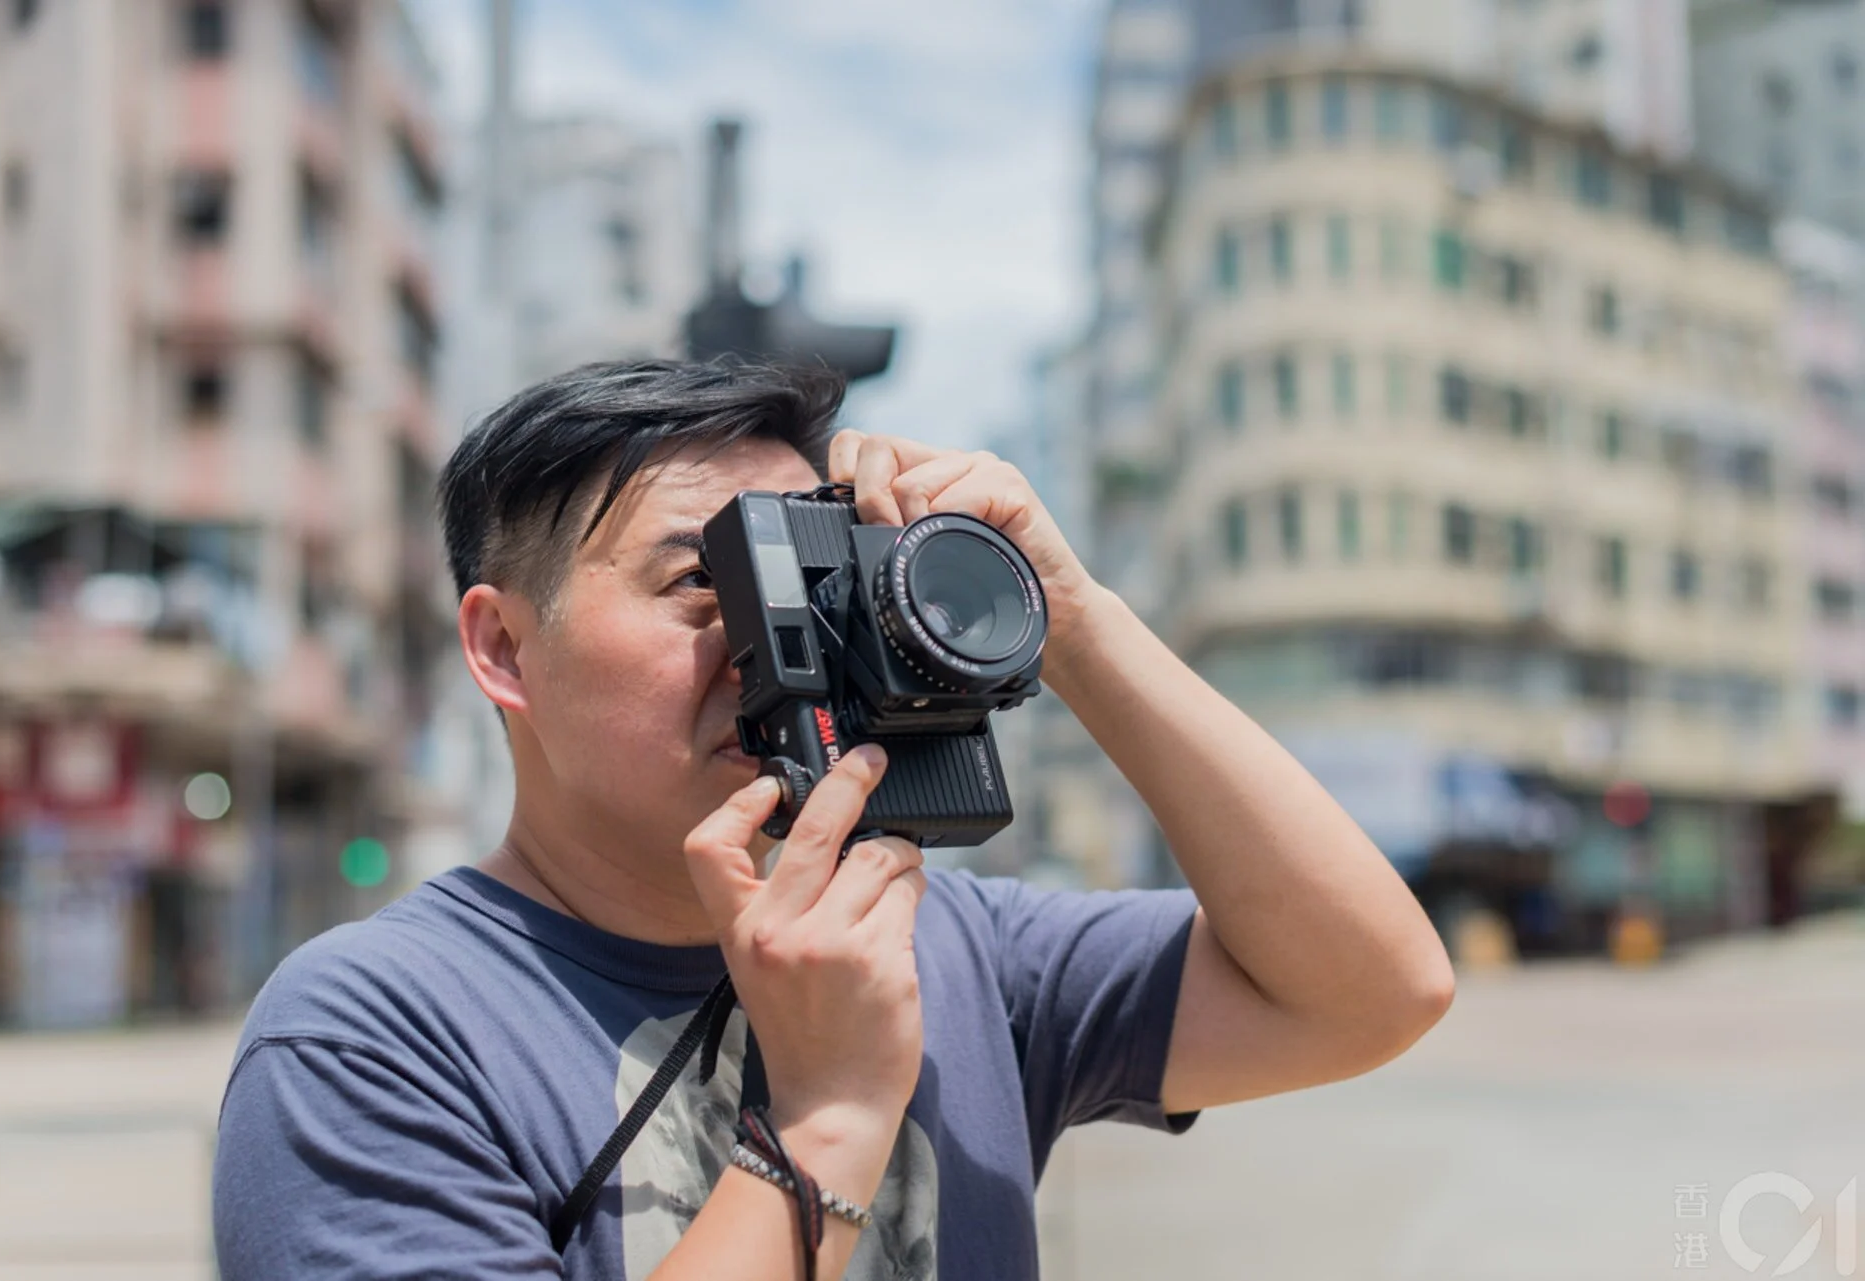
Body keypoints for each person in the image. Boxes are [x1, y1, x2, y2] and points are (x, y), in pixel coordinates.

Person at [212, 360, 1454, 1280]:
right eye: (705, 580)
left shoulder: (953, 945)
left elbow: (1371, 990)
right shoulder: (372, 1035)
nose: (768, 642)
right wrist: (827, 1121)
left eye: (813, 579)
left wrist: (1067, 614)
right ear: (504, 649)